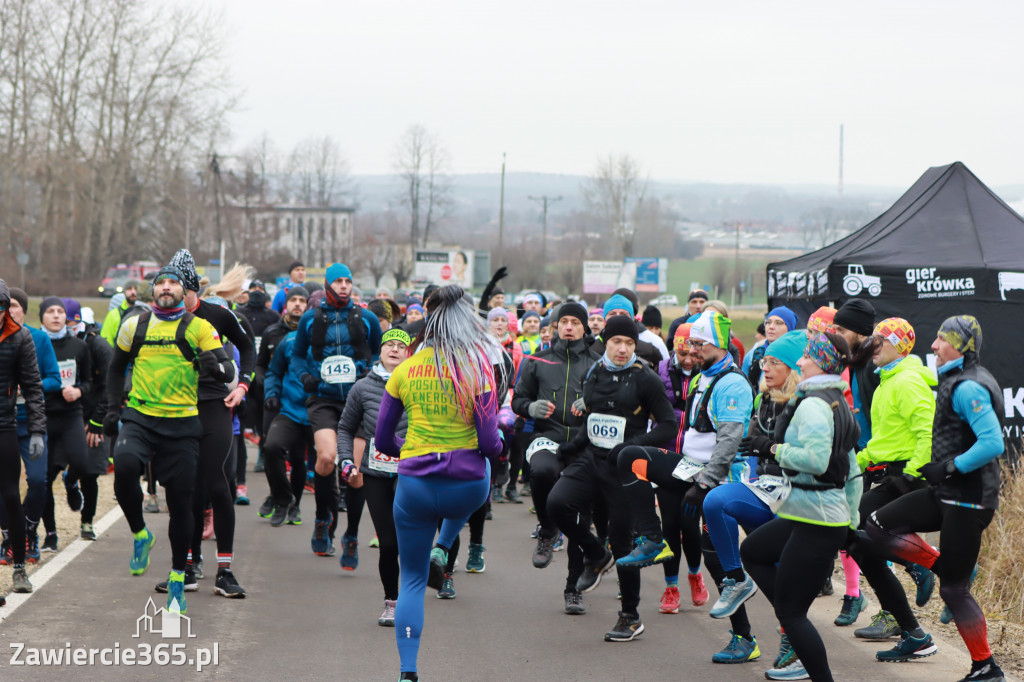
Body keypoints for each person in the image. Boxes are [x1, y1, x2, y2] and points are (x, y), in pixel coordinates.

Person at [373, 285, 503, 682]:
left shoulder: (404, 370)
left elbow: (381, 441)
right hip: (466, 483)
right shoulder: (478, 368)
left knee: (410, 580)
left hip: (414, 484)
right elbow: (488, 443)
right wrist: (500, 441)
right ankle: (445, 546)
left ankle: (408, 671)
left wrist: (408, 450)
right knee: (476, 483)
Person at [866, 316, 1006, 682]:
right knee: (879, 524)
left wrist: (948, 467)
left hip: (968, 501)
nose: (933, 346)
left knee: (955, 590)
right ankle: (941, 567)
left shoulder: (969, 386)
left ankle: (986, 667)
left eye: (941, 340)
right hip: (947, 494)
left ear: (960, 347)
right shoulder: (955, 378)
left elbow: (993, 443)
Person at [615, 310, 756, 661]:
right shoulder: (702, 376)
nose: (690, 349)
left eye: (697, 343)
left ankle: (745, 639)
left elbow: (729, 440)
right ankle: (652, 540)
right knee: (629, 458)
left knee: (717, 562)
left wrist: (705, 483)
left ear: (716, 344)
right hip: (689, 468)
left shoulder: (732, 383)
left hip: (716, 478)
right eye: (688, 342)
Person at [105, 265, 234, 614]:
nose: (165, 287)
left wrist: (212, 367)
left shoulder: (199, 327)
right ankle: (141, 534)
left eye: (172, 283)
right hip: (141, 415)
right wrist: (113, 409)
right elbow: (116, 367)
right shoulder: (135, 325)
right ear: (152, 290)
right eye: (160, 282)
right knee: (126, 468)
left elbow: (228, 372)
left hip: (182, 423)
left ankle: (179, 574)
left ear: (183, 290)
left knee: (181, 503)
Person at [740, 331, 863, 682]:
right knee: (753, 550)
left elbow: (815, 460)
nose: (801, 362)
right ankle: (793, 598)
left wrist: (770, 448)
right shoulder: (839, 403)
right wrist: (851, 522)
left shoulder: (813, 405)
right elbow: (853, 474)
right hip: (813, 513)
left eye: (806, 357)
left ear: (821, 362)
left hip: (817, 518)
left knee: (791, 613)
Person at [548, 313, 678, 643]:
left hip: (624, 468)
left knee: (623, 544)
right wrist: (569, 449)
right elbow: (592, 419)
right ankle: (595, 553)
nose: (623, 349)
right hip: (590, 459)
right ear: (605, 342)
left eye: (630, 343)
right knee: (556, 504)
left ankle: (630, 617)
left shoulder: (645, 378)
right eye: (617, 342)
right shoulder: (595, 371)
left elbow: (667, 425)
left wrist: (633, 447)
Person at [846, 317, 938, 662]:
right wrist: (854, 463)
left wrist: (911, 475)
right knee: (860, 546)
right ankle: (914, 634)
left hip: (905, 476)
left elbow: (927, 433)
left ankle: (923, 564)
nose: (872, 347)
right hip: (887, 471)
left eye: (880, 342)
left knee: (851, 529)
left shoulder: (908, 380)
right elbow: (882, 439)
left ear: (899, 347)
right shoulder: (886, 381)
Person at [165, 251, 255, 600]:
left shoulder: (217, 314)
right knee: (185, 490)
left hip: (214, 403)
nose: (173, 296)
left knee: (218, 485)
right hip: (175, 409)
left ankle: (225, 571)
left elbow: (247, 347)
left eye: (180, 289)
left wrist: (243, 386)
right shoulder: (158, 320)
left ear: (193, 290)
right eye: (168, 287)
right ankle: (185, 566)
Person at [511, 302, 600, 614]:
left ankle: (573, 588)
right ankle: (547, 529)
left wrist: (590, 403)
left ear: (585, 327)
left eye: (576, 321)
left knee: (579, 517)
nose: (569, 327)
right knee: (542, 472)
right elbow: (518, 399)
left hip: (583, 442)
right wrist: (530, 408)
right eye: (564, 321)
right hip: (548, 437)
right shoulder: (537, 359)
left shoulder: (597, 362)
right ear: (556, 325)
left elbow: (611, 401)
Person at [293, 263, 382, 558]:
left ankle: (352, 534)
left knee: (354, 473)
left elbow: (380, 353)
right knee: (327, 459)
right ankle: (322, 519)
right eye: (339, 281)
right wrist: (305, 377)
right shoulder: (310, 319)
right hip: (323, 399)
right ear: (328, 284)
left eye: (348, 281)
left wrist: (371, 372)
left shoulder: (366, 318)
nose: (344, 285)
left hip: (358, 400)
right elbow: (296, 356)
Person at [337, 328, 410, 626]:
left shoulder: (419, 384)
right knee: (389, 544)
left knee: (412, 542)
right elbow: (344, 428)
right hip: (376, 474)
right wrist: (346, 460)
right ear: (379, 352)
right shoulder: (362, 388)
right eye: (388, 345)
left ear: (409, 353)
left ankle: (421, 590)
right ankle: (392, 602)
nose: (394, 349)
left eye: (400, 346)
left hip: (412, 474)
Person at [0, 287, 60, 562]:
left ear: (23, 310)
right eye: (6, 306)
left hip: (28, 423)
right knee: (6, 487)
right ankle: (12, 538)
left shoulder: (35, 338)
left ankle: (29, 530)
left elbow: (50, 380)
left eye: (13, 306)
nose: (9, 311)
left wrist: (22, 387)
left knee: (37, 480)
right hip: (7, 421)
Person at [650, 322, 707, 613]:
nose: (687, 359)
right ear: (674, 348)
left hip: (698, 462)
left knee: (690, 524)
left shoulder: (710, 373)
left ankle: (695, 575)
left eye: (693, 353)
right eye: (682, 352)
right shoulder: (659, 371)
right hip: (668, 458)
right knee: (669, 525)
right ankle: (671, 587)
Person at [830, 298, 880, 626]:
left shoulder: (874, 364)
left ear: (860, 333)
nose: (835, 333)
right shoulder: (846, 360)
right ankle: (853, 594)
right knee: (850, 525)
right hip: (855, 453)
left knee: (871, 527)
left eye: (841, 329)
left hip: (878, 456)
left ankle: (940, 567)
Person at [0, 279, 47, 599]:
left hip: (4, 424)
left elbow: (32, 388)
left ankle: (19, 567)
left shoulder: (20, 336)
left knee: (9, 495)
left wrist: (38, 431)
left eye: (1, 308)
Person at [36, 298, 93, 549]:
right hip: (44, 416)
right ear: (42, 318)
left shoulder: (79, 347)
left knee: (81, 462)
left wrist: (79, 391)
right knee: (45, 478)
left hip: (71, 415)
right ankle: (50, 534)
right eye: (50, 311)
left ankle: (71, 482)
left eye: (60, 312)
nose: (57, 316)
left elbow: (91, 382)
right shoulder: (35, 345)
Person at [255, 286, 309, 517]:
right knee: (271, 449)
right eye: (293, 300)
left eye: (302, 300)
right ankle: (277, 494)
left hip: (302, 404)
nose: (297, 304)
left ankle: (293, 505)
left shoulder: (313, 333)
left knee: (298, 457)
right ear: (286, 304)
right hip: (273, 401)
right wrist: (267, 389)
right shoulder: (272, 332)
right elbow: (261, 365)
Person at [66, 299, 111, 540]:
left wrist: (97, 420)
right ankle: (70, 482)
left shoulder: (99, 346)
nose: (69, 326)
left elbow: (108, 386)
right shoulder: (59, 343)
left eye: (73, 322)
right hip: (66, 414)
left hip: (94, 415)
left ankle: (87, 522)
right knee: (61, 468)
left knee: (90, 471)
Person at [747, 306, 797, 386]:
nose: (771, 327)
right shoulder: (755, 353)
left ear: (789, 328)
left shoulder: (798, 356)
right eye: (768, 322)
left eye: (778, 323)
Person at [99, 280, 141, 346]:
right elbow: (106, 340)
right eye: (129, 289)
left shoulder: (146, 312)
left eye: (136, 289)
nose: (133, 292)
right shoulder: (114, 314)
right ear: (124, 292)